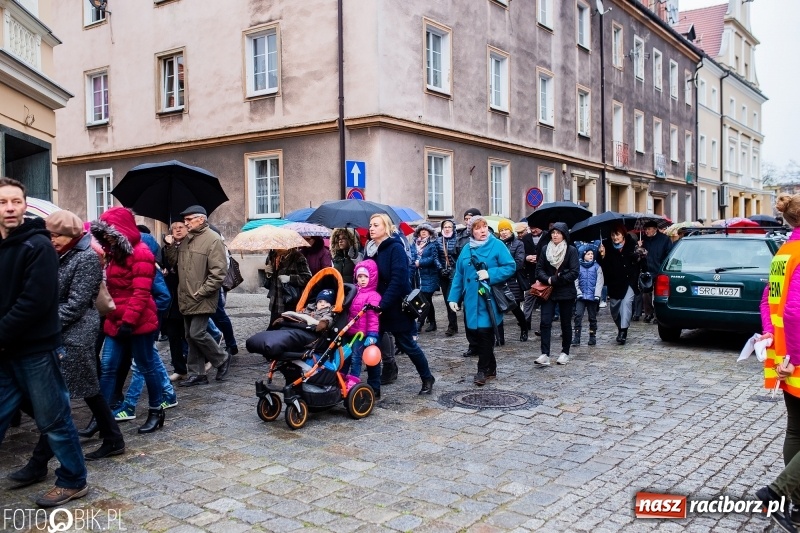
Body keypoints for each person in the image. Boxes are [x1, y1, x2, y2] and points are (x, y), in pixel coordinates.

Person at [0, 178, 89, 507]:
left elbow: (34, 303)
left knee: (54, 418)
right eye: (2, 202)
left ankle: (73, 479)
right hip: (6, 351)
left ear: (25, 206)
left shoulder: (38, 245)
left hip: (36, 350)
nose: (10, 208)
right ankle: (40, 468)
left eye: (16, 201)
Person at [91, 207, 166, 434]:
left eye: (110, 233)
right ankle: (101, 417)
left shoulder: (141, 253)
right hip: (115, 320)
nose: (107, 238)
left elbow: (141, 292)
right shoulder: (114, 253)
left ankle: (156, 410)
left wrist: (128, 322)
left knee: (146, 366)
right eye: (104, 234)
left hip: (138, 321)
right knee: (108, 367)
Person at [755, 194, 800, 533]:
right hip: (795, 359)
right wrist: (794, 360)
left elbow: (767, 300)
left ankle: (796, 507)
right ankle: (777, 493)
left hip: (784, 356)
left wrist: (771, 336)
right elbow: (795, 311)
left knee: (796, 430)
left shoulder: (785, 251)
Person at [162, 205, 231, 387]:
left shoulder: (213, 239)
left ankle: (222, 358)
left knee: (197, 333)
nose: (185, 223)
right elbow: (175, 263)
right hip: (186, 295)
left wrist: (202, 292)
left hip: (202, 296)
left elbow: (218, 272)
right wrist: (170, 246)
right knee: (190, 336)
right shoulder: (187, 239)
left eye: (189, 219)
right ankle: (197, 373)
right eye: (185, 220)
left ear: (201, 219)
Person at [368, 213, 435, 395]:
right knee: (372, 345)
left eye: (376, 225)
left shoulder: (395, 248)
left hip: (396, 306)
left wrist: (383, 304)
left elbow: (398, 280)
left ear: (387, 228)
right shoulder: (371, 250)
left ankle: (427, 377)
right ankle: (374, 387)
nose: (371, 228)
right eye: (370, 225)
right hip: (376, 306)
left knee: (407, 344)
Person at [448, 216, 515, 385]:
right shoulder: (466, 249)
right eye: (477, 228)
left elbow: (510, 266)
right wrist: (453, 297)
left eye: (484, 226)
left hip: (488, 299)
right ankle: (491, 367)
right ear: (471, 232)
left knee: (485, 334)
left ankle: (482, 370)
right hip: (471, 301)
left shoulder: (497, 245)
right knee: (476, 335)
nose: (482, 230)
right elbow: (459, 274)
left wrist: (490, 274)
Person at [534, 222, 579, 366]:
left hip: (566, 291)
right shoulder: (545, 249)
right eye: (553, 233)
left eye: (558, 233)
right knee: (545, 321)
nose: (555, 235)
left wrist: (557, 279)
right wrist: (548, 279)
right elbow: (539, 269)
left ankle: (565, 352)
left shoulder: (571, 250)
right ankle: (545, 354)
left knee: (565, 323)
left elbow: (574, 272)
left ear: (564, 235)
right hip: (548, 291)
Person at [597, 224, 647, 345]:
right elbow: (602, 265)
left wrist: (638, 254)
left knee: (626, 303)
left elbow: (642, 261)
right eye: (613, 235)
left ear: (623, 235)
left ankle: (623, 331)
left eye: (617, 234)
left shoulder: (631, 243)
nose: (615, 237)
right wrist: (601, 255)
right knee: (614, 309)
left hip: (630, 280)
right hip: (614, 282)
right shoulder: (606, 245)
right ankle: (621, 327)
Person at [340, 261, 382, 397]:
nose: (362, 280)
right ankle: (341, 377)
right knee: (344, 356)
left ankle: (353, 380)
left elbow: (373, 318)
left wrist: (372, 334)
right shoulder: (353, 292)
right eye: (360, 276)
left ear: (372, 277)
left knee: (355, 358)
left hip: (361, 334)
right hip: (349, 331)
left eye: (365, 276)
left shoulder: (373, 296)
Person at [162, 221, 188, 381]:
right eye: (174, 228)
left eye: (181, 227)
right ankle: (179, 368)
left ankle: (208, 359)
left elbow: (178, 265)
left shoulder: (189, 246)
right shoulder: (166, 246)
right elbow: (165, 264)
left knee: (191, 335)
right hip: (171, 297)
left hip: (185, 296)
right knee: (173, 334)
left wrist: (171, 247)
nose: (177, 230)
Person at [263, 247, 313, 328]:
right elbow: (269, 283)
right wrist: (268, 274)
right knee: (273, 328)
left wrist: (290, 278)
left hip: (289, 300)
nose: (276, 249)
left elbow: (307, 278)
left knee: (286, 329)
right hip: (275, 302)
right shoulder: (272, 256)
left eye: (279, 247)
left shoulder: (298, 257)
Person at [498, 220, 530, 341]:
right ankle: (500, 337)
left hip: (513, 280)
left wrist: (504, 270)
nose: (504, 232)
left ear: (510, 231)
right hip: (499, 280)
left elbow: (519, 262)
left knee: (515, 307)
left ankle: (524, 328)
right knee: (498, 308)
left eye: (506, 229)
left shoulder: (518, 244)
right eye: (501, 230)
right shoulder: (497, 244)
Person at [410, 223, 441, 333]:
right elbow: (411, 255)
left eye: (425, 230)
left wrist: (420, 262)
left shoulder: (433, 244)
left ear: (430, 232)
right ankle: (432, 322)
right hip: (418, 276)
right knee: (426, 301)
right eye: (421, 230)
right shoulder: (414, 243)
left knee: (425, 300)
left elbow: (433, 258)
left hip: (430, 276)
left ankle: (419, 323)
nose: (423, 232)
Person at [640, 220, 672, 323]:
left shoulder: (664, 239)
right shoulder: (643, 240)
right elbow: (639, 255)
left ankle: (658, 315)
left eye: (649, 229)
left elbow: (669, 254)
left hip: (659, 270)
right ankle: (648, 313)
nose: (647, 231)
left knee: (659, 294)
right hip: (647, 270)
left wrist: (664, 267)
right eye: (645, 229)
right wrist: (639, 247)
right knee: (646, 293)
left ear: (655, 229)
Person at [572, 244, 604, 347]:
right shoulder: (578, 267)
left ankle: (592, 336)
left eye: (592, 254)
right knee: (578, 316)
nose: (591, 255)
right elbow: (575, 281)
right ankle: (577, 337)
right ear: (583, 255)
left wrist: (597, 295)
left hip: (592, 296)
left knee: (592, 317)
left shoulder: (597, 267)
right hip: (581, 296)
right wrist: (578, 292)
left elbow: (599, 282)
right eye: (588, 254)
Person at [437, 219, 459, 336]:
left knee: (451, 298)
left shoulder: (457, 240)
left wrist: (454, 268)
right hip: (443, 274)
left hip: (454, 273)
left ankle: (452, 326)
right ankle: (453, 324)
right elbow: (435, 256)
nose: (447, 229)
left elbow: (459, 257)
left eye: (449, 227)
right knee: (446, 299)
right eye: (445, 227)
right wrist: (441, 268)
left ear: (453, 228)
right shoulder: (438, 240)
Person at [519, 223, 542, 335]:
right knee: (528, 298)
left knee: (544, 301)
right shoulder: (525, 238)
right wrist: (526, 257)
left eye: (535, 227)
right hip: (529, 274)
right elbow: (520, 254)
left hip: (543, 274)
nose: (533, 230)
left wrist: (540, 258)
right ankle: (526, 322)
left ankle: (544, 325)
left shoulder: (546, 237)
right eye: (531, 228)